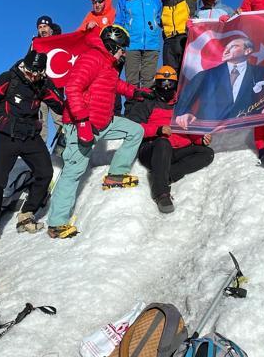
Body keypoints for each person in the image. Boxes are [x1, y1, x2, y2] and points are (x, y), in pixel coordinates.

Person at [45, 26, 150, 239]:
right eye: (122, 49)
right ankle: (56, 224)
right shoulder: (91, 58)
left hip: (102, 123)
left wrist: (136, 92)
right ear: (112, 44)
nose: (123, 54)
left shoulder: (109, 64)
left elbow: (114, 85)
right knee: (74, 172)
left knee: (135, 131)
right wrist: (82, 122)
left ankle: (116, 174)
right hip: (81, 125)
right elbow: (73, 87)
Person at [0, 50, 64, 248]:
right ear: (24, 66)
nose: (32, 76)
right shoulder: (8, 78)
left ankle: (26, 214)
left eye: (37, 73)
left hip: (30, 137)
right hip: (5, 137)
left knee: (45, 173)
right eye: (29, 72)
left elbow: (60, 105)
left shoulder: (43, 83)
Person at [127, 66, 214, 213]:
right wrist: (157, 130)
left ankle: (164, 175)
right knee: (162, 142)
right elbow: (133, 127)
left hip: (177, 150)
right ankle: (161, 193)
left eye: (170, 83)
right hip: (153, 149)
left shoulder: (183, 104)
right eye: (163, 83)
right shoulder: (147, 101)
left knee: (207, 153)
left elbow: (189, 128)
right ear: (157, 83)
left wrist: (201, 139)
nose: (166, 86)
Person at [174, 36, 264, 128]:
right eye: (226, 47)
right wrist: (184, 113)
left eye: (233, 46)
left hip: (246, 135)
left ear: (247, 51)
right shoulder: (205, 75)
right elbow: (184, 99)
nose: (226, 50)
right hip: (209, 134)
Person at [115, 0, 162, 102]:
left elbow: (159, 18)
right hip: (131, 45)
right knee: (132, 81)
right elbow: (119, 22)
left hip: (152, 45)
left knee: (148, 82)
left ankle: (146, 113)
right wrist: (119, 46)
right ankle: (132, 113)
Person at [35, 16, 65, 144]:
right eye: (40, 27)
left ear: (51, 28)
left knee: (60, 121)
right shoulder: (35, 44)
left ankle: (66, 149)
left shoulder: (61, 42)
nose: (43, 30)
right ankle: (40, 156)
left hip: (55, 89)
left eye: (45, 26)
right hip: (39, 90)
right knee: (40, 124)